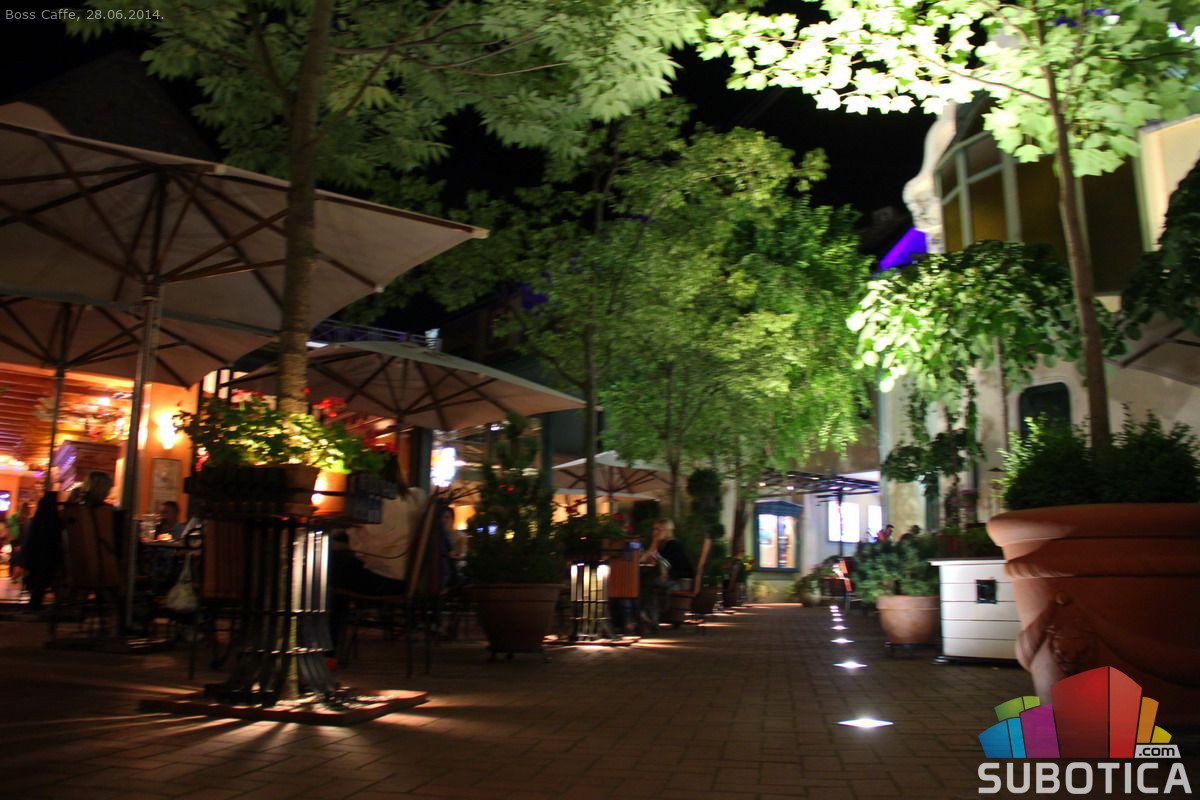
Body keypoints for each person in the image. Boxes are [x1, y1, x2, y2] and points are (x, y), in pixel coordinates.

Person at [328, 474, 426, 647]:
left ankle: (329, 644)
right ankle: (330, 646)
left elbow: (364, 545)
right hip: (406, 579)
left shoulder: (379, 503)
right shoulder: (414, 497)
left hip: (386, 580)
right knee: (338, 565)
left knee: (329, 569)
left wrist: (340, 537)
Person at [639, 518, 694, 628]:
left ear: (666, 530)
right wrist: (654, 543)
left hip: (679, 582)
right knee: (646, 583)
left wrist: (654, 543)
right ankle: (650, 617)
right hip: (670, 579)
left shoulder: (672, 545)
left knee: (646, 583)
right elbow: (644, 560)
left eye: (658, 530)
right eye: (654, 529)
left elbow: (664, 565)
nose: (655, 533)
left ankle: (648, 616)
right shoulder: (662, 545)